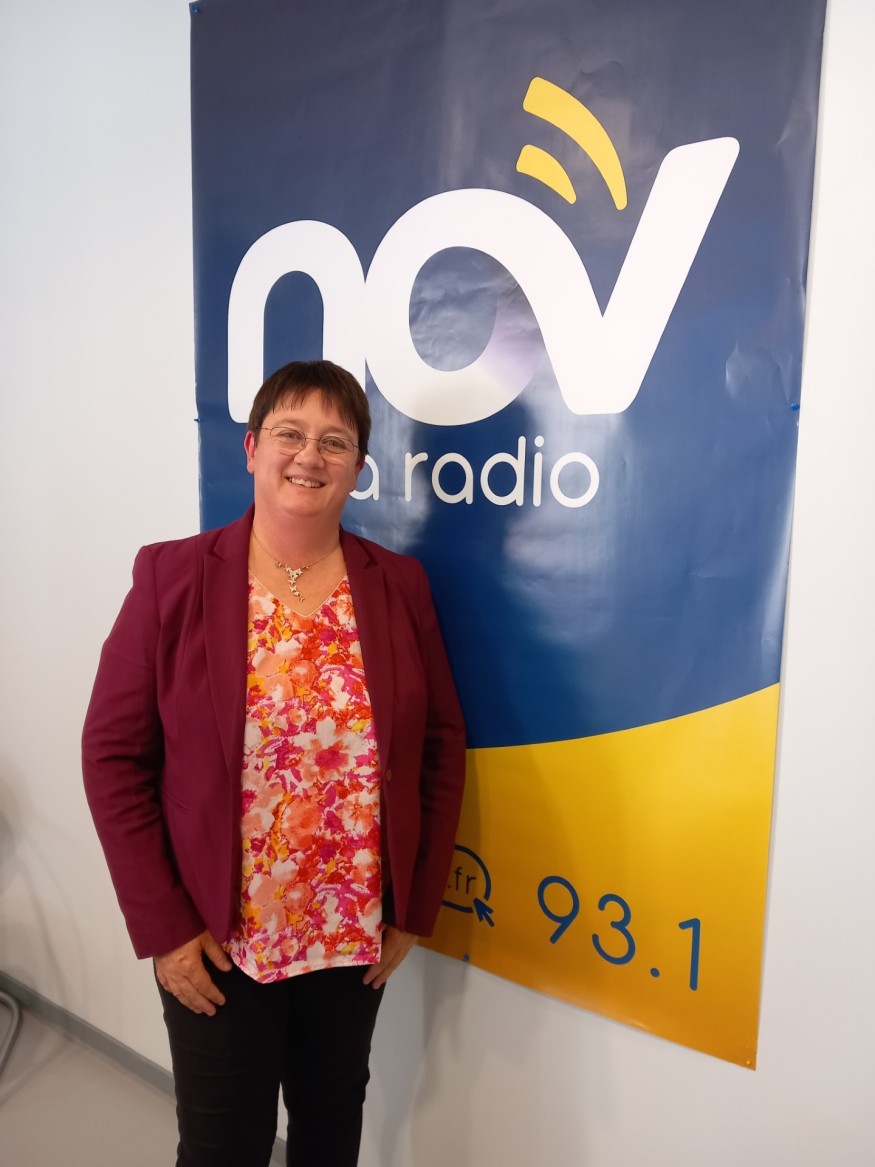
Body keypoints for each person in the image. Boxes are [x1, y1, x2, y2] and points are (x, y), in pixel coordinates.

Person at [82, 360, 466, 1166]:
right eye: (290, 433)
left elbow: (438, 745)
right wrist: (165, 929)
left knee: (330, 1127)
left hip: (351, 934)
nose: (309, 455)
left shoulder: (398, 585)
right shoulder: (171, 576)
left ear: (357, 468)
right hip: (218, 939)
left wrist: (412, 904)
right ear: (253, 447)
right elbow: (112, 755)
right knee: (223, 1145)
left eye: (335, 441)